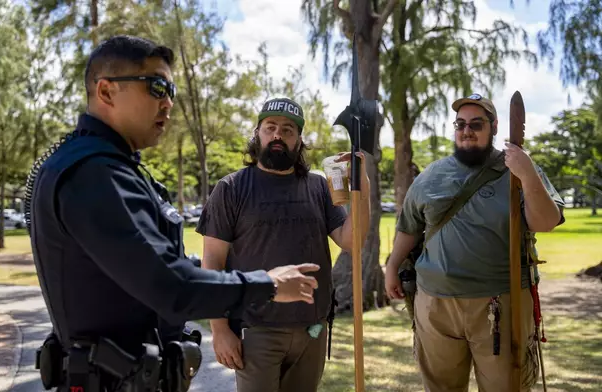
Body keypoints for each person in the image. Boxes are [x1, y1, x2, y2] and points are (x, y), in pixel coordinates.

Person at [25, 35, 321, 391]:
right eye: (156, 86)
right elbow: (171, 285)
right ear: (105, 92)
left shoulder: (113, 168)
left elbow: (158, 264)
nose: (167, 103)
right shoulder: (93, 173)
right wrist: (268, 284)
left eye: (171, 90)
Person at [384, 93, 565, 392]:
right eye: (460, 124)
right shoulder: (431, 174)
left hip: (500, 303)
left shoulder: (518, 168)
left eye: (476, 124)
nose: (466, 130)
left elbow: (546, 222)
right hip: (435, 304)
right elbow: (409, 228)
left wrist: (527, 174)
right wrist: (392, 266)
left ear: (494, 127)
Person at [195, 97, 371, 392]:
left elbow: (351, 241)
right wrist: (220, 329)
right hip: (256, 329)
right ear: (258, 133)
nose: (278, 135)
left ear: (299, 140)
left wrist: (361, 186)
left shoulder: (318, 186)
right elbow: (212, 261)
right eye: (270, 127)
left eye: (288, 130)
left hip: (313, 330)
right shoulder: (231, 188)